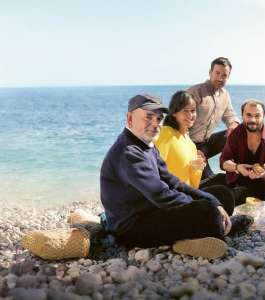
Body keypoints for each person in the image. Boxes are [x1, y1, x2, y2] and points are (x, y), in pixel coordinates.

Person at [100, 94, 252, 259]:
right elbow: (161, 195)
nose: (155, 124)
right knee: (207, 211)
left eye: (158, 119)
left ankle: (199, 233)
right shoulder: (128, 152)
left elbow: (174, 182)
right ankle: (210, 232)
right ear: (130, 119)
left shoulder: (147, 146)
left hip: (152, 209)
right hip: (131, 227)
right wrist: (206, 206)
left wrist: (213, 201)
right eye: (148, 117)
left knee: (222, 197)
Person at [214, 99, 265, 203]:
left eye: (257, 115)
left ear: (264, 115)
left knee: (224, 196)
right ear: (242, 115)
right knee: (209, 185)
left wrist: (262, 174)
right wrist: (237, 167)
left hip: (260, 190)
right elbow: (223, 162)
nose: (253, 120)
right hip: (235, 181)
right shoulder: (236, 133)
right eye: (248, 115)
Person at [187, 57, 240, 179]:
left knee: (238, 134)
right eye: (217, 73)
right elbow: (179, 121)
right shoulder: (195, 91)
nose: (221, 77)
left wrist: (233, 125)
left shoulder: (225, 95)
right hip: (190, 144)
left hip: (207, 142)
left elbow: (230, 116)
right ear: (210, 73)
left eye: (224, 75)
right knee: (211, 180)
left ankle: (235, 173)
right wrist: (189, 148)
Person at [155, 91, 206, 188]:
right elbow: (154, 171)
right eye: (185, 111)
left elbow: (194, 186)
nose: (190, 115)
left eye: (193, 111)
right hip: (170, 197)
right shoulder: (165, 133)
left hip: (186, 196)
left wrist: (197, 169)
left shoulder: (191, 145)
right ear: (174, 112)